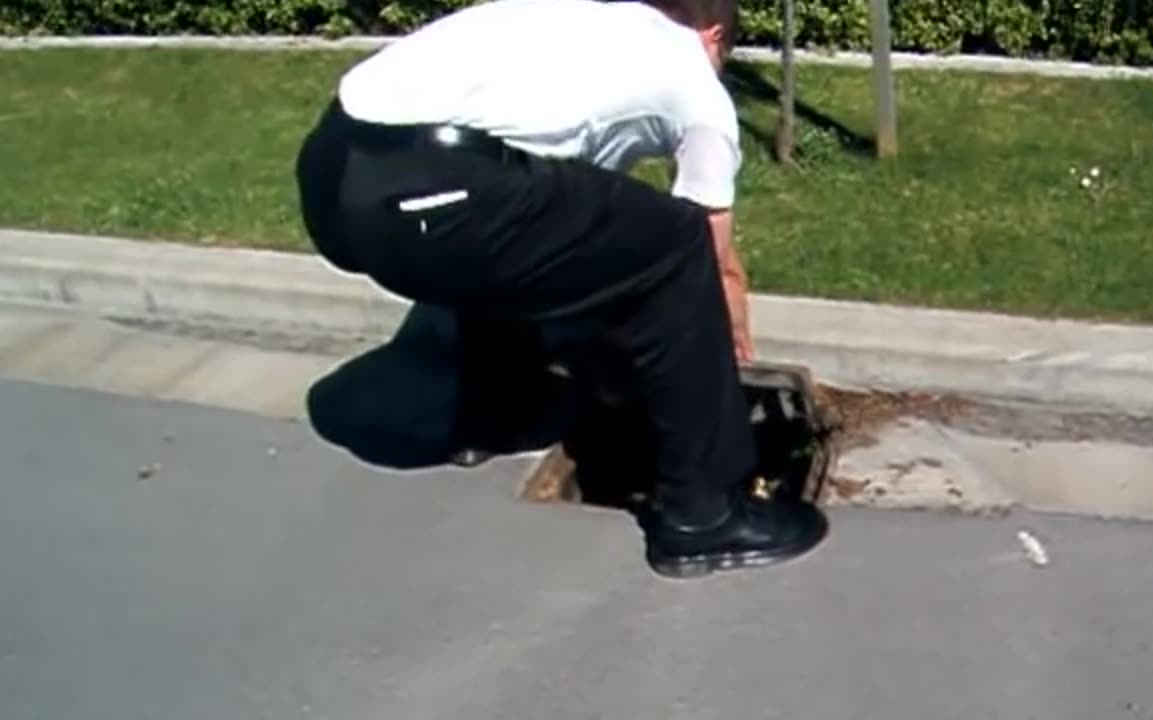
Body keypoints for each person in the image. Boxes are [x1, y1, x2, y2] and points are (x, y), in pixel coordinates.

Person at [293, 0, 828, 578]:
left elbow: (563, 239)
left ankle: (489, 415)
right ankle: (703, 515)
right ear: (713, 34)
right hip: (435, 194)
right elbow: (710, 251)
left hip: (333, 175)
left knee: (523, 220)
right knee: (677, 244)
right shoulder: (692, 75)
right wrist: (728, 346)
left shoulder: (575, 24)